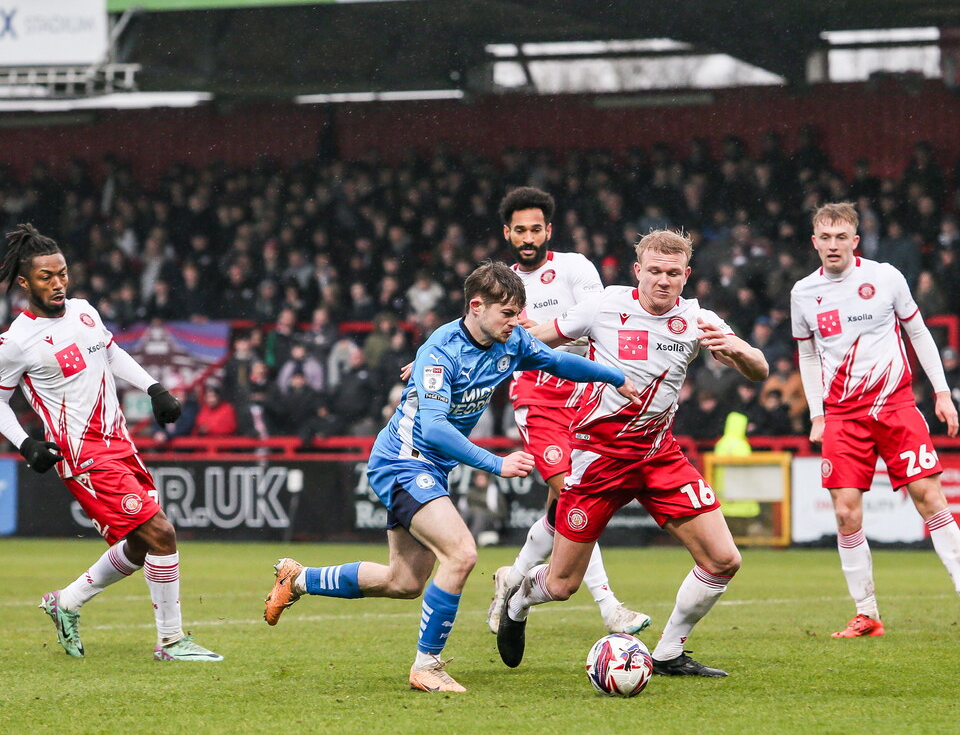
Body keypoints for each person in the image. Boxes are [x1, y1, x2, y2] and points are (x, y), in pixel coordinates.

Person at [262, 261, 642, 693]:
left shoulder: (511, 340)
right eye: (507, 314)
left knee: (403, 582)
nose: (516, 323)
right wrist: (497, 463)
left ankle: (299, 579)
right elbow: (437, 428)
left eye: (519, 313)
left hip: (430, 466)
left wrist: (617, 378)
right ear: (476, 307)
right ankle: (427, 666)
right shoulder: (439, 351)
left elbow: (558, 362)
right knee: (462, 554)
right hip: (403, 461)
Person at [496, 229, 768, 678]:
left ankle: (667, 653)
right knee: (561, 585)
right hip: (597, 459)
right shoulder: (603, 306)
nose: (663, 281)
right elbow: (533, 341)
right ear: (638, 271)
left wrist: (740, 350)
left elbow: (758, 371)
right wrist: (448, 358)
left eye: (673, 274)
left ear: (686, 276)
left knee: (724, 560)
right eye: (655, 272)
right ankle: (519, 597)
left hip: (660, 456)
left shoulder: (698, 319)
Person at [0, 224, 222, 661]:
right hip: (82, 455)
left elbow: (111, 352)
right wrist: (26, 444)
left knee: (140, 545)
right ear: (25, 283)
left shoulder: (84, 310)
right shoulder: (16, 342)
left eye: (62, 273)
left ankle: (65, 602)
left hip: (119, 443)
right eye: (46, 276)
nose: (59, 283)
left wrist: (154, 387)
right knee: (161, 533)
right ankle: (172, 642)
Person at [791, 202, 960, 638]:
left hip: (896, 407)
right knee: (846, 513)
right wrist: (816, 414)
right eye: (824, 238)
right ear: (814, 242)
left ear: (855, 241)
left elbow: (919, 332)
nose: (832, 245)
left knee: (929, 498)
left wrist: (942, 393)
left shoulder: (885, 277)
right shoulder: (803, 293)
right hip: (843, 417)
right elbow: (807, 355)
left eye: (840, 237)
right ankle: (866, 614)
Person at [487, 186, 651, 637]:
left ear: (548, 231)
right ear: (507, 232)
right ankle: (609, 607)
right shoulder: (499, 284)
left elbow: (594, 315)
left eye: (535, 229)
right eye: (519, 229)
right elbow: (476, 333)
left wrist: (535, 333)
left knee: (563, 505)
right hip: (536, 396)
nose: (528, 237)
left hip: (582, 393)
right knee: (575, 489)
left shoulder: (575, 267)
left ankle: (514, 575)